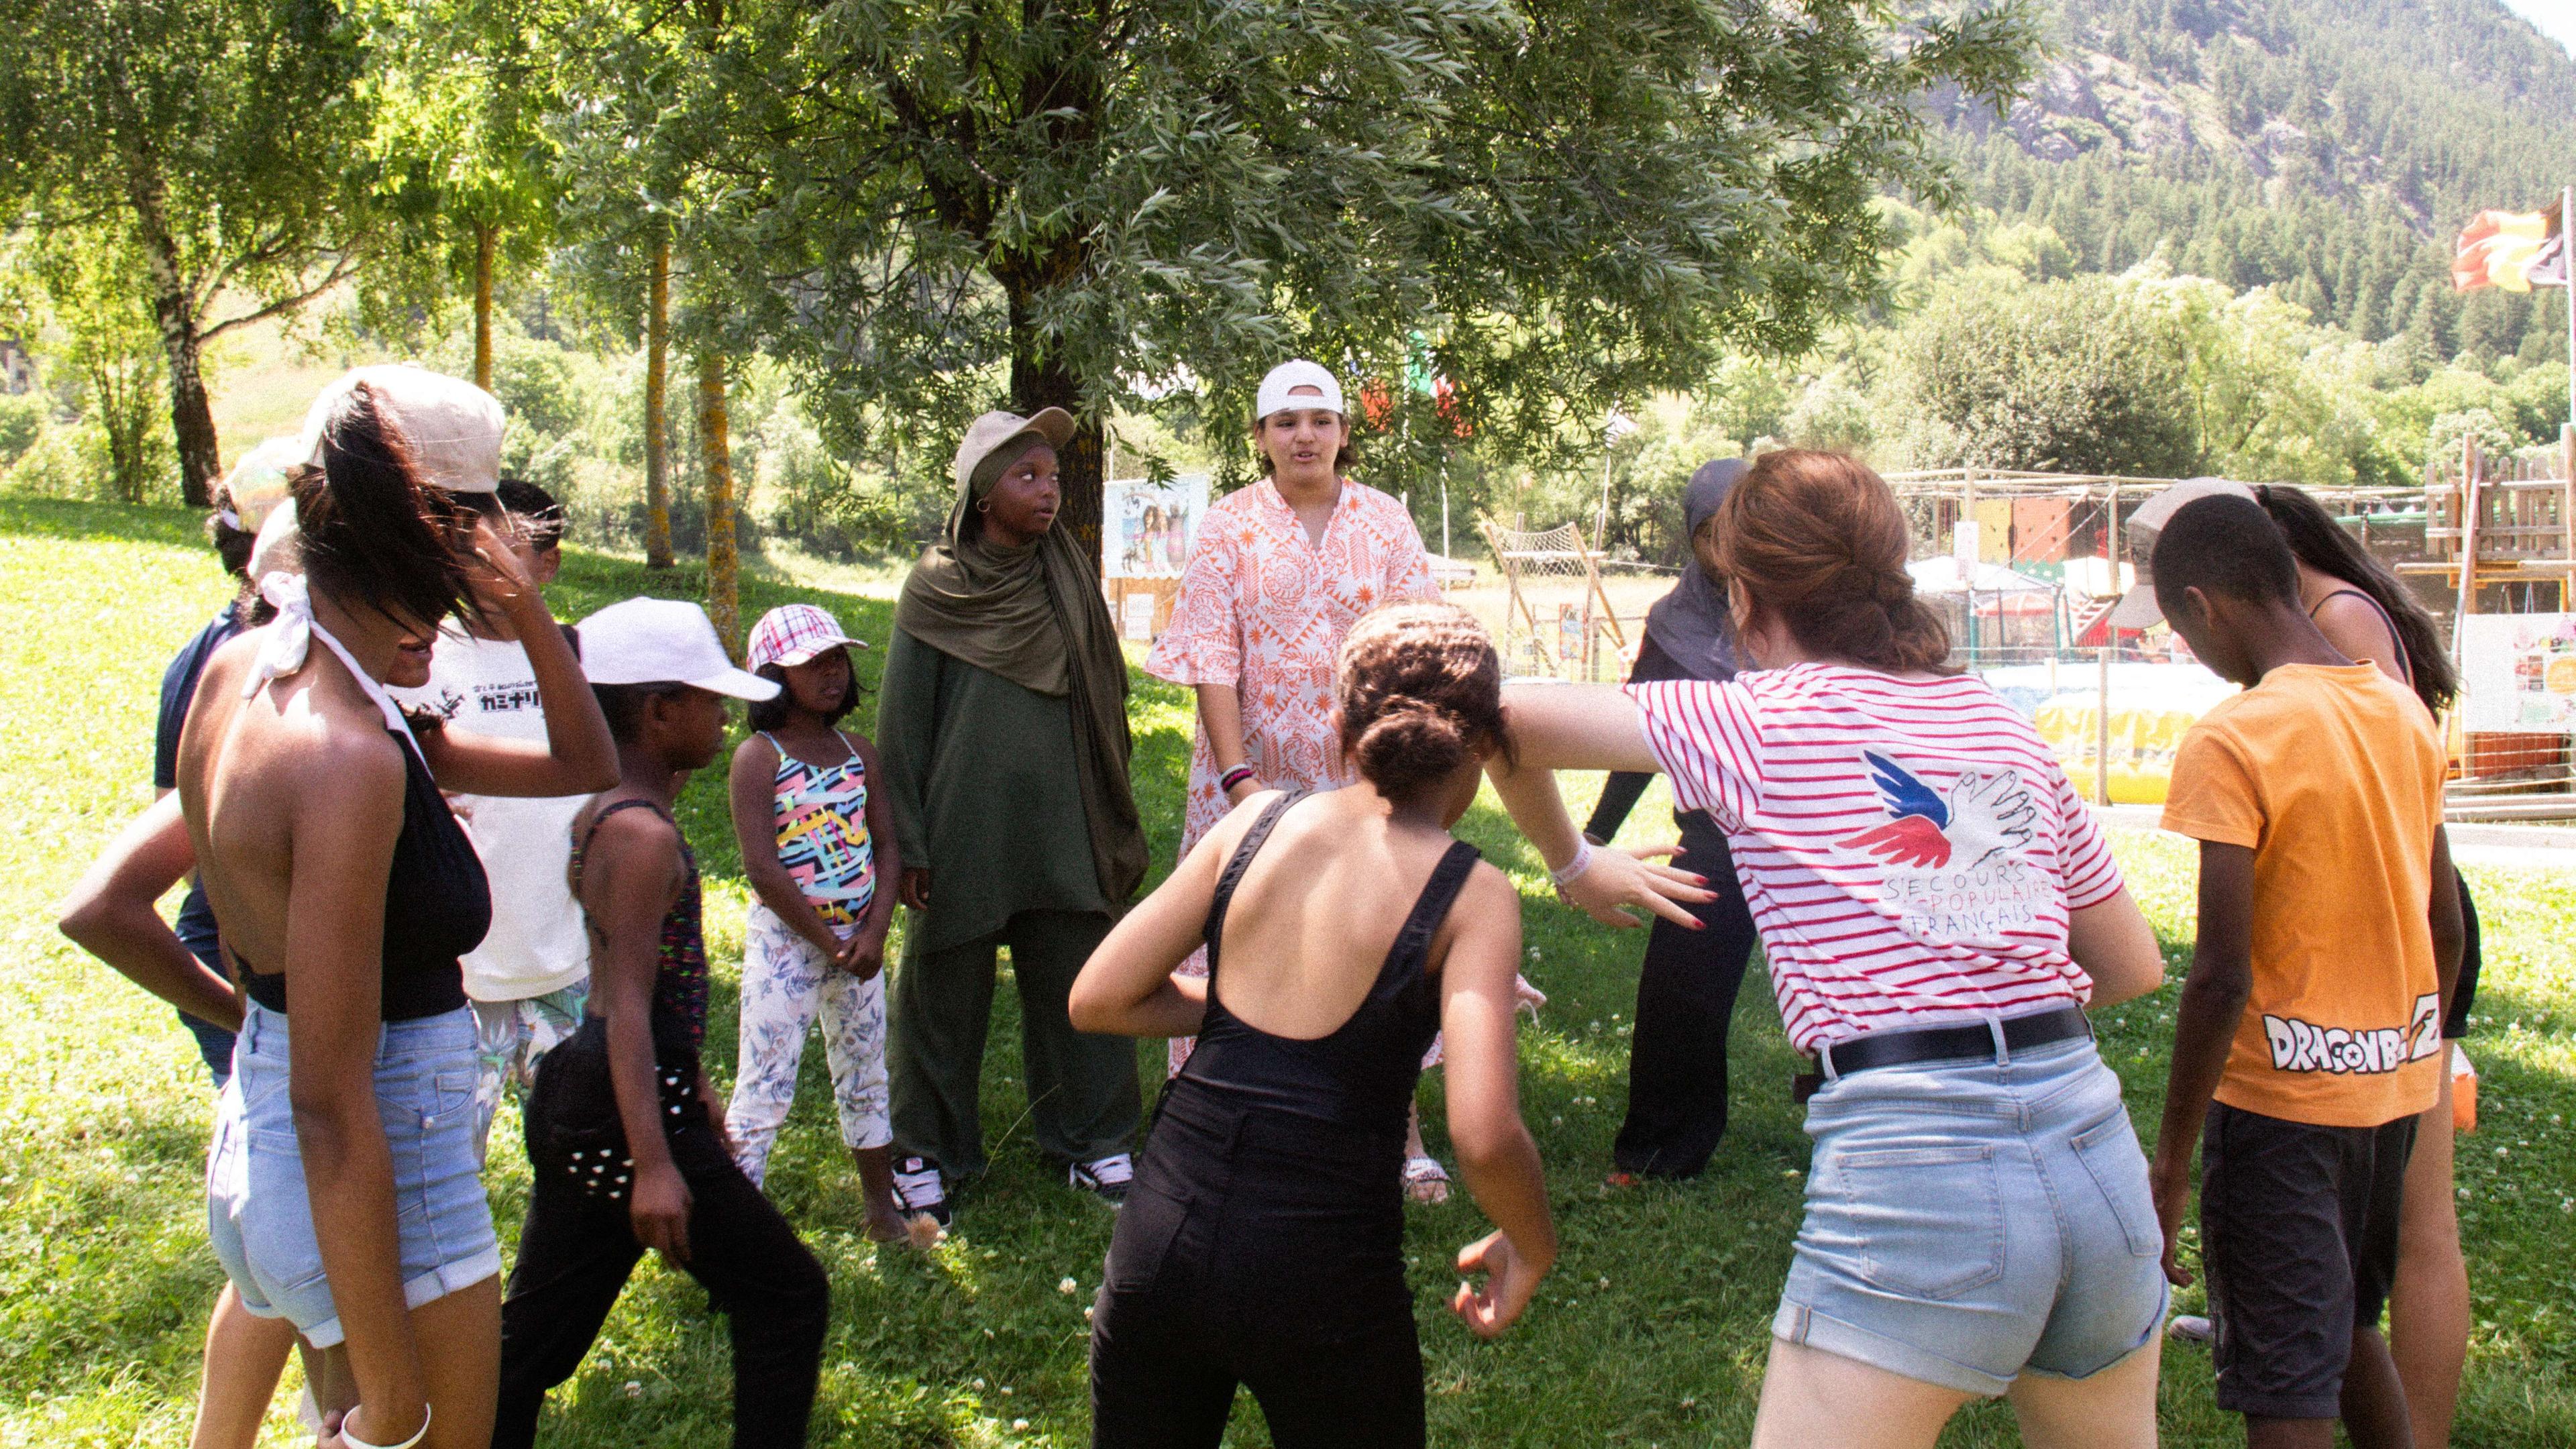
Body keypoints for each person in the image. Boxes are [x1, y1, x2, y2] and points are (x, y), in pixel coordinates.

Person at [1479, 449, 2173, 1448]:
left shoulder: (1754, 720)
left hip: (1915, 1174)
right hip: (2097, 1163)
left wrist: (1576, 862)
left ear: (1744, 590)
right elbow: (2132, 967)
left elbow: (1494, 720)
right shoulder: (1995, 720)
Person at [177, 365, 618, 1449]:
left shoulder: (249, 673)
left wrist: (525, 610)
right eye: (490, 520)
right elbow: (337, 1106)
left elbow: (582, 758)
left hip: (266, 1143)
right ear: (440, 532)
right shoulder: (347, 759)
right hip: (383, 1171)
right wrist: (393, 1395)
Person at [1073, 602, 1556, 1447]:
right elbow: (1481, 1134)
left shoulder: (1253, 823)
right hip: (1323, 1270)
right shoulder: (1475, 894)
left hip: (1162, 1234)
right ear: (1485, 748)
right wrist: (1533, 1242)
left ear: (1339, 729)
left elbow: (1100, 998)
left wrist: (1235, 1019)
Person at [2129, 493, 2463, 1449]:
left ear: (2204, 606)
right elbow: (2446, 923)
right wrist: (2410, 1050)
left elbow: (2221, 975)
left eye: (2183, 632)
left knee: (2286, 1376)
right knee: (2347, 1327)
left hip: (2278, 1113)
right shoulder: (2401, 712)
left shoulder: (2236, 736)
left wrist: (2172, 1159)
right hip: (2388, 1101)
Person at [1144, 358, 1496, 1203]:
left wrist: (1405, 773)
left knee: (1383, 934)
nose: (1305, 435)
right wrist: (1237, 780)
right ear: (1260, 438)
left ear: (1343, 431)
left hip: (1366, 775)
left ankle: (1400, 1134)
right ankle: (1213, 1114)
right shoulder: (1230, 525)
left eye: (1321, 419)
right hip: (1250, 777)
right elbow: (1210, 654)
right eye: (1285, 422)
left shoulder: (1384, 521)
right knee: (1238, 928)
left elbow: (1422, 643)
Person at [494, 598, 833, 1448]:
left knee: (530, 1346)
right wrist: (654, 1161)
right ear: (656, 712)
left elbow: (625, 993)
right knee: (789, 1294)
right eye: (710, 702)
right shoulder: (643, 839)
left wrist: (696, 1081)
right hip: (622, 1105)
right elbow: (630, 1009)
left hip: (596, 1093)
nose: (725, 718)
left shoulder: (606, 811)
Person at [877, 407, 1150, 1221]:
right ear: (981, 491)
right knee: (942, 985)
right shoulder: (936, 586)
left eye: (1053, 477)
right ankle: (925, 1146)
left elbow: (1108, 697)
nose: (1046, 492)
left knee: (1081, 972)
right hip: (964, 823)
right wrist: (911, 840)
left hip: (1066, 818)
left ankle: (1094, 1141)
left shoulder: (1065, 578)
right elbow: (902, 725)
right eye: (1025, 477)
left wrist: (1108, 804)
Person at [2253, 480, 2478, 1449]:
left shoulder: (2340, 616)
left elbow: (2391, 788)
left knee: (2420, 1221)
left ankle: (2416, 1432)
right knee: (2370, 1220)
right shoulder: (2341, 608)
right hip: (2395, 914)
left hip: (2404, 917)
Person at [386, 476, 594, 1164]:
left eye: (512, 555)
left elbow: (612, 772)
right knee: (446, 1161)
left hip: (563, 955)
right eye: (473, 555)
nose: (488, 573)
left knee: (574, 1154)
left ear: (549, 565)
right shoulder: (422, 659)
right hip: (460, 971)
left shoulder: (576, 654)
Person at [724, 602, 934, 1246]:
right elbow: (763, 869)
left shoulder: (857, 753)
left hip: (859, 951)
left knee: (866, 1073)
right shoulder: (759, 760)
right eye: (812, 664)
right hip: (790, 947)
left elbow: (887, 847)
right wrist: (829, 942)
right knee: (764, 1083)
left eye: (837, 659)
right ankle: (736, 1230)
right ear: (771, 677)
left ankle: (879, 1209)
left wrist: (872, 934)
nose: (832, 673)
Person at [1578, 459, 1760, 1183]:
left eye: (1751, 526)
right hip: (1715, 838)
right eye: (1720, 533)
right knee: (1677, 993)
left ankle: (1853, 1111)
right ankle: (1658, 1150)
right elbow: (1638, 740)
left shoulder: (1810, 610)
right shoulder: (1674, 623)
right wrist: (1594, 836)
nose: (1736, 547)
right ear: (1695, 537)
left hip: (1814, 829)